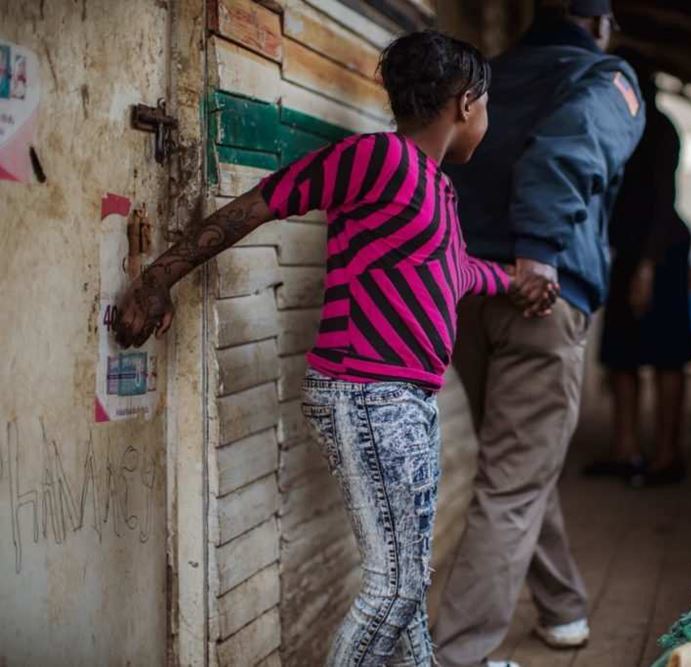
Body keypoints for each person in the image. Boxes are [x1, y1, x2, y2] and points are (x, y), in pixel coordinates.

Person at [112, 31, 556, 667]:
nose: (487, 117)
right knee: (395, 586)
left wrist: (514, 281)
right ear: (466, 103)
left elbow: (453, 270)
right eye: (486, 105)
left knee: (406, 581)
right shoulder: (379, 158)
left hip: (404, 399)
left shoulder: (437, 189)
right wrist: (159, 277)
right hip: (368, 394)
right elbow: (260, 204)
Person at [433, 2, 645, 666]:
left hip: (468, 292)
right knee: (514, 479)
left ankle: (562, 606)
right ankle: (456, 657)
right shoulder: (607, 77)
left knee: (519, 462)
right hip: (539, 292)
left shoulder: (485, 76)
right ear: (601, 24)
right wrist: (539, 250)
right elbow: (569, 148)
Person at [585, 56, 691, 487]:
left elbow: (664, 201)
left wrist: (646, 268)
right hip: (630, 252)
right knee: (621, 356)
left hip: (660, 253)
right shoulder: (621, 128)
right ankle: (626, 450)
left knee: (667, 355)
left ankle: (667, 455)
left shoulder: (659, 129)